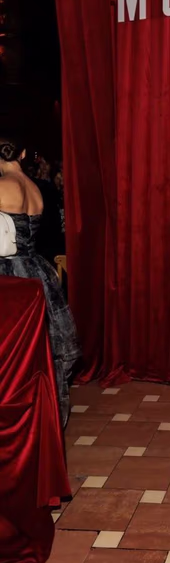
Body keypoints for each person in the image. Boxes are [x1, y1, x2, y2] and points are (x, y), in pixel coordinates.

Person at [0, 137, 80, 426]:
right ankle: (48, 414)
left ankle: (20, 422)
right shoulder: (36, 188)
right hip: (36, 269)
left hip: (10, 274)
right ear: (22, 154)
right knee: (44, 347)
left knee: (14, 354)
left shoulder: (3, 186)